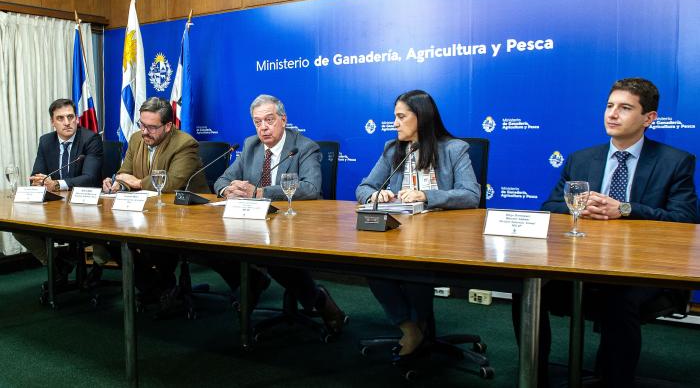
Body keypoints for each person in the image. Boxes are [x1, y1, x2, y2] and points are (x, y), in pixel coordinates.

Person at [512, 78, 697, 388]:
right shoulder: (581, 159)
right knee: (529, 290)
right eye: (610, 106)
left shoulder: (675, 162)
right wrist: (576, 207)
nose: (612, 114)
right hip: (581, 263)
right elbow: (549, 207)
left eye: (625, 108)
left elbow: (685, 220)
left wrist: (624, 209)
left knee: (618, 298)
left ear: (649, 118)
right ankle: (534, 377)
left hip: (643, 268)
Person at [355, 90, 481, 363]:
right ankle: (409, 327)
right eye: (394, 118)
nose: (395, 123)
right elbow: (364, 187)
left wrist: (427, 195)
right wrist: (375, 195)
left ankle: (420, 325)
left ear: (421, 117)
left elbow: (471, 194)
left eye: (401, 117)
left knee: (415, 267)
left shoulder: (454, 149)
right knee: (369, 263)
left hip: (444, 237)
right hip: (400, 232)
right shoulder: (392, 149)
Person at [212, 94, 346, 334]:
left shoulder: (304, 147)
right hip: (256, 222)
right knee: (218, 248)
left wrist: (259, 192)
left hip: (296, 223)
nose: (263, 127)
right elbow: (222, 179)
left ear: (283, 120)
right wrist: (227, 190)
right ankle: (251, 283)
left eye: (269, 120)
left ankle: (318, 301)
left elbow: (311, 188)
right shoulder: (252, 144)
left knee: (276, 257)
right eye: (257, 122)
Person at [98, 97, 209, 307]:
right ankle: (156, 288)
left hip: (185, 215)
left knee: (155, 241)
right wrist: (118, 185)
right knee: (111, 237)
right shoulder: (136, 139)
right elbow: (124, 173)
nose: (144, 131)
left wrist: (137, 182)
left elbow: (172, 182)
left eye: (151, 127)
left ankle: (162, 287)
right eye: (142, 124)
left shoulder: (185, 143)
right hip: (148, 212)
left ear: (168, 126)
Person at [13, 98, 103, 287]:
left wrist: (57, 184)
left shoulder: (90, 139)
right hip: (54, 208)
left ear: (77, 119)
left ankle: (70, 264)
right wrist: (40, 182)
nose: (67, 122)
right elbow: (36, 175)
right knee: (19, 229)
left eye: (71, 117)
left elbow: (90, 178)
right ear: (53, 122)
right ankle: (56, 263)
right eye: (60, 118)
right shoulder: (46, 141)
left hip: (85, 209)